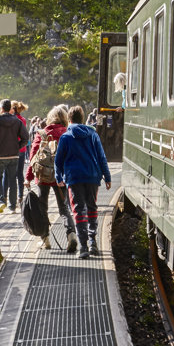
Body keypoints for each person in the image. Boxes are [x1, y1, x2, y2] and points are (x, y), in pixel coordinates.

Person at [55, 104, 111, 259]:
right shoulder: (93, 135)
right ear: (82, 118)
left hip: (74, 178)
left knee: (79, 211)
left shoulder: (66, 137)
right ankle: (93, 242)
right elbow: (101, 157)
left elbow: (58, 161)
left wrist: (59, 177)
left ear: (69, 119)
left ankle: (84, 247)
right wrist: (107, 176)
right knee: (92, 208)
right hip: (93, 177)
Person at [25, 105, 78, 253]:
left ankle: (45, 239)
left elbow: (33, 158)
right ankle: (71, 235)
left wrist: (28, 178)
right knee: (64, 208)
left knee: (42, 207)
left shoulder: (42, 133)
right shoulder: (68, 133)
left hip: (43, 177)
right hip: (61, 177)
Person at [0, 99, 28, 214]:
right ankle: (12, 206)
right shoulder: (17, 121)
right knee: (12, 179)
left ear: (0, 109)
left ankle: (1, 201)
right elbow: (25, 138)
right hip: (14, 155)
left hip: (0, 156)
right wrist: (17, 147)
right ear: (10, 108)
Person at [12, 99, 29, 201]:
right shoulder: (23, 119)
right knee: (20, 173)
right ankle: (20, 195)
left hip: (12, 149)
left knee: (11, 174)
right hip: (22, 149)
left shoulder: (12, 119)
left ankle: (12, 197)